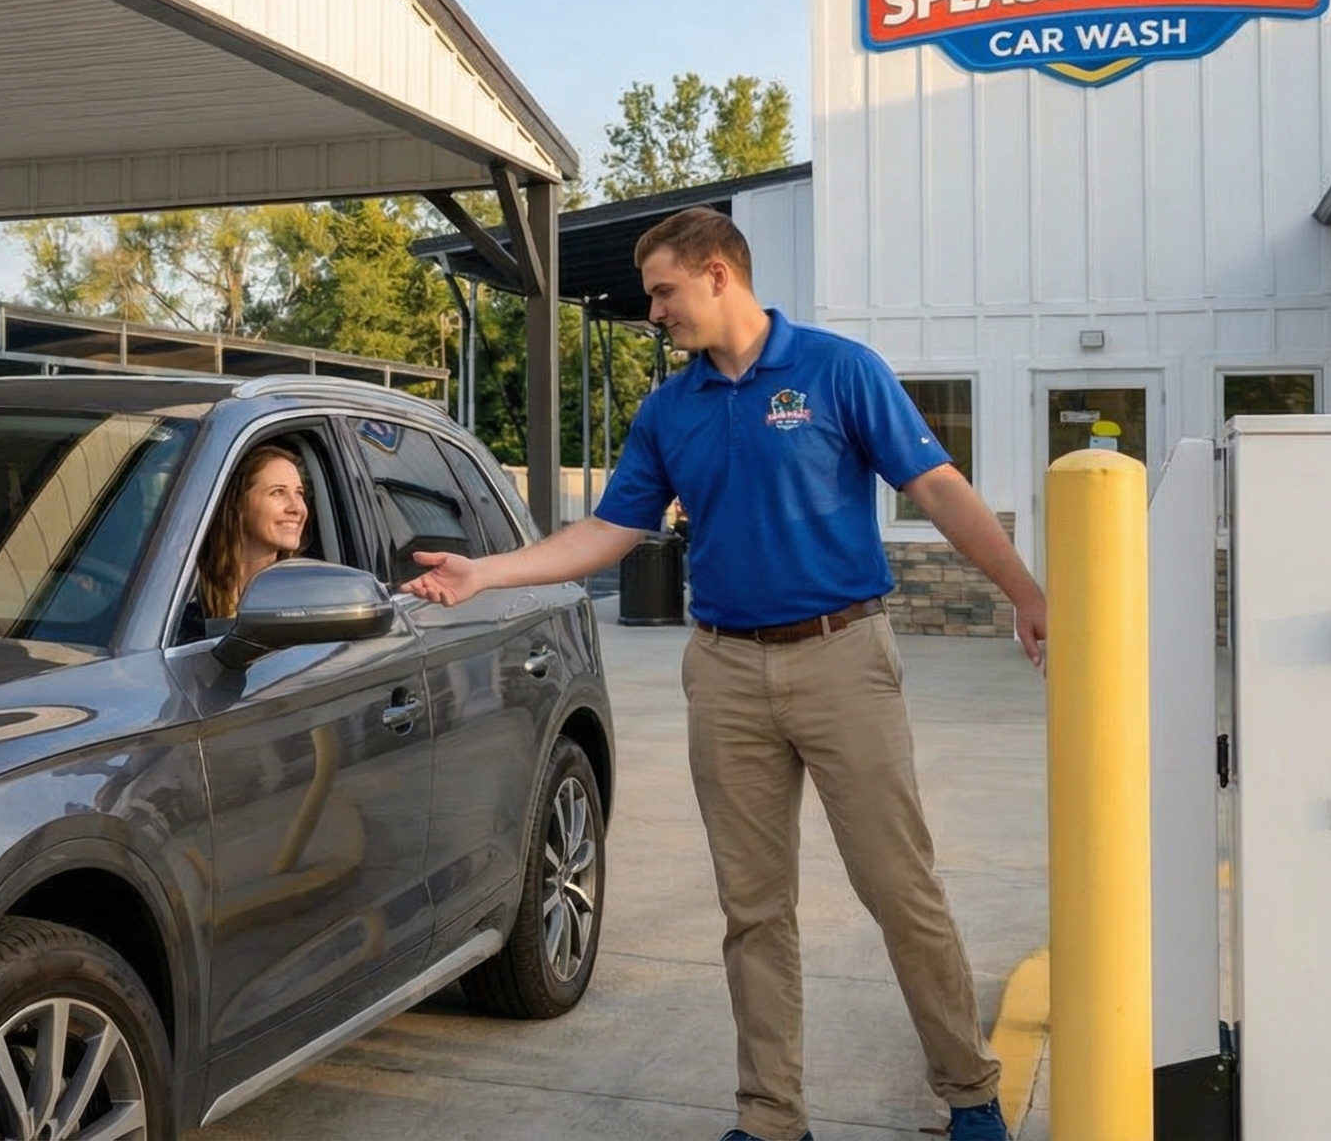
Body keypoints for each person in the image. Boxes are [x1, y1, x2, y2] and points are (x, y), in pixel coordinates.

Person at [403, 207, 1044, 1141]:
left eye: (663, 291)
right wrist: (485, 572)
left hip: (843, 657)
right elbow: (610, 531)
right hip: (725, 670)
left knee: (899, 889)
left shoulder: (839, 370)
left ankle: (971, 1095)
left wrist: (1025, 590)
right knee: (753, 909)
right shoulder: (671, 409)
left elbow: (936, 486)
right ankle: (771, 1117)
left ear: (716, 274)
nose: (654, 311)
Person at [195, 442, 308, 620]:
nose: (297, 508)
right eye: (278, 492)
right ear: (238, 503)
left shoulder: (305, 596)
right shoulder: (185, 587)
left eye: (299, 493)